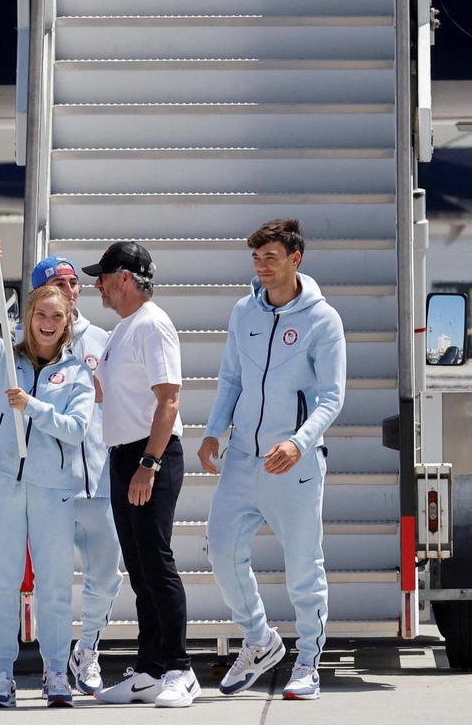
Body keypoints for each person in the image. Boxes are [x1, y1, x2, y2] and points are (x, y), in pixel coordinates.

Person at [198, 218, 346, 700]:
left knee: (303, 566)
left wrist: (299, 442)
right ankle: (260, 640)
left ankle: (308, 663)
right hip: (243, 457)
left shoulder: (322, 319)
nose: (262, 267)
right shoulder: (245, 312)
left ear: (295, 259)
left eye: (271, 258)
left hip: (294, 464)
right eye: (257, 258)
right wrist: (214, 431)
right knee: (220, 551)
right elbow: (231, 380)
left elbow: (331, 396)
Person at [0, 228, 95, 709]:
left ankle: (57, 673)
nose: (48, 322)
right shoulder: (3, 358)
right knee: (0, 582)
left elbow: (77, 429)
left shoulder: (78, 371)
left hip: (53, 489)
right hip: (1, 485)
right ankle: (2, 676)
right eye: (41, 314)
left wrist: (32, 406)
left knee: (55, 585)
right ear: (29, 316)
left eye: (57, 316)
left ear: (68, 320)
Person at [82, 241, 200, 708]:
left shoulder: (153, 325)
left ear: (125, 278)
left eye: (104, 277)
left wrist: (148, 465)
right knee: (139, 569)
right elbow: (111, 393)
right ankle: (150, 669)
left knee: (156, 563)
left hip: (151, 456)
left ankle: (179, 668)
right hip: (123, 454)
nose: (98, 286)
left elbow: (168, 399)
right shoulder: (123, 330)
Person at [26, 255, 122, 695]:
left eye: (73, 283)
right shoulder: (27, 342)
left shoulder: (103, 339)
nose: (70, 289)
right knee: (53, 580)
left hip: (99, 479)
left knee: (105, 574)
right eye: (59, 283)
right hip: (53, 484)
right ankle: (54, 662)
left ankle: (87, 650)